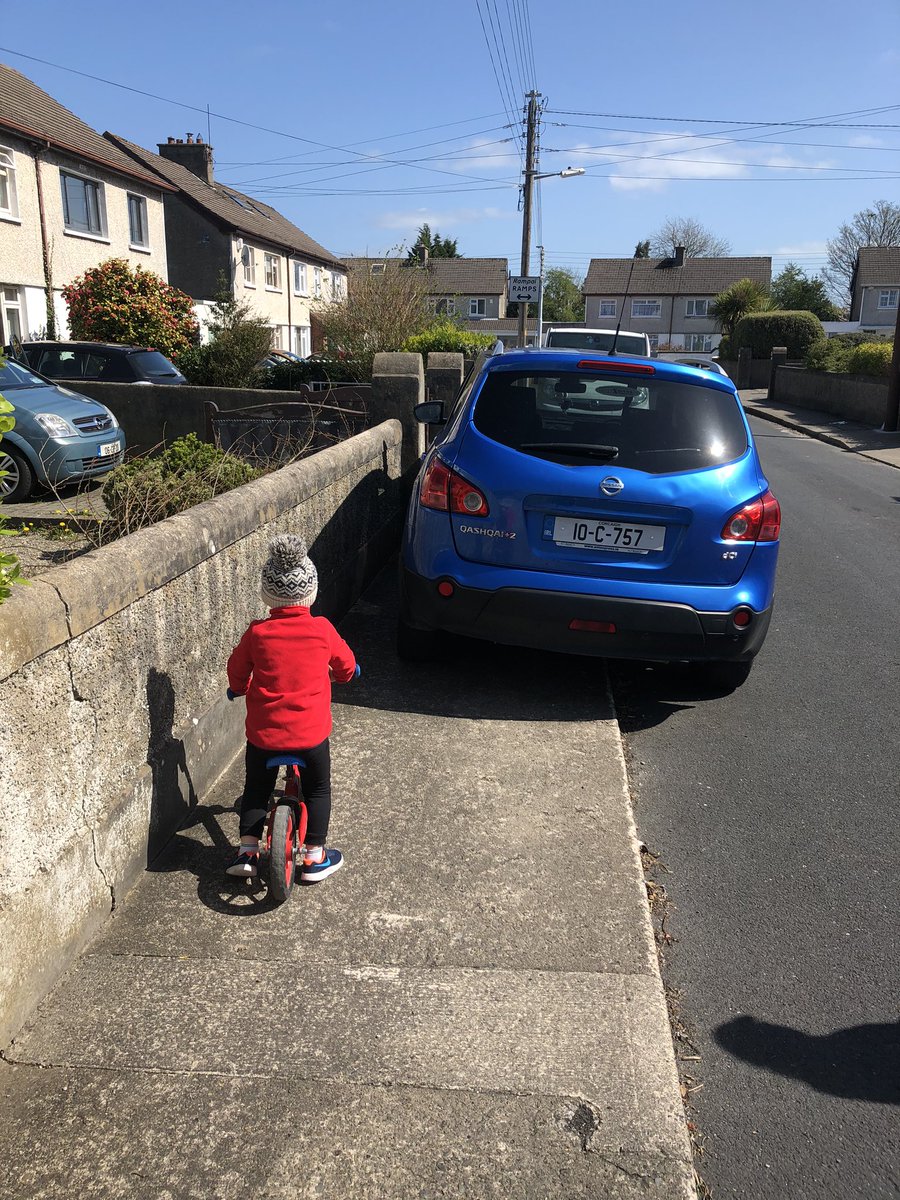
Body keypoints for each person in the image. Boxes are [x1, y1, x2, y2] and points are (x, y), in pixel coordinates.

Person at [225, 533, 356, 883]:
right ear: (310, 591)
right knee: (318, 789)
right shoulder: (322, 629)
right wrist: (347, 674)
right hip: (310, 737)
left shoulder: (257, 634)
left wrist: (237, 689)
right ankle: (314, 857)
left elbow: (237, 671)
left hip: (264, 736)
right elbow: (345, 665)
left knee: (256, 788)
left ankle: (248, 851)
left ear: (268, 595)